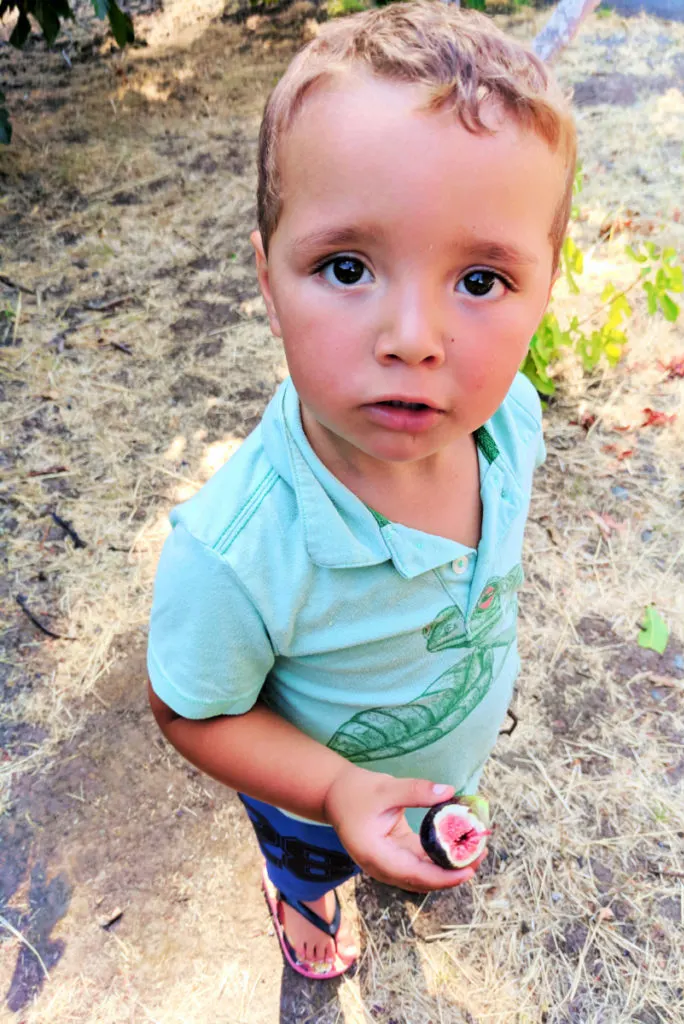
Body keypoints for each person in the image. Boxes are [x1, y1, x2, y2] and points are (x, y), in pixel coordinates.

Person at [147, 0, 576, 980]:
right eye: (347, 266)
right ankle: (297, 898)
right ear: (267, 279)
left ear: (547, 287)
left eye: (480, 280)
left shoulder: (508, 425)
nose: (414, 337)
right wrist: (339, 789)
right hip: (312, 807)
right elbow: (189, 710)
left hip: (439, 756)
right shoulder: (239, 552)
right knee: (312, 865)